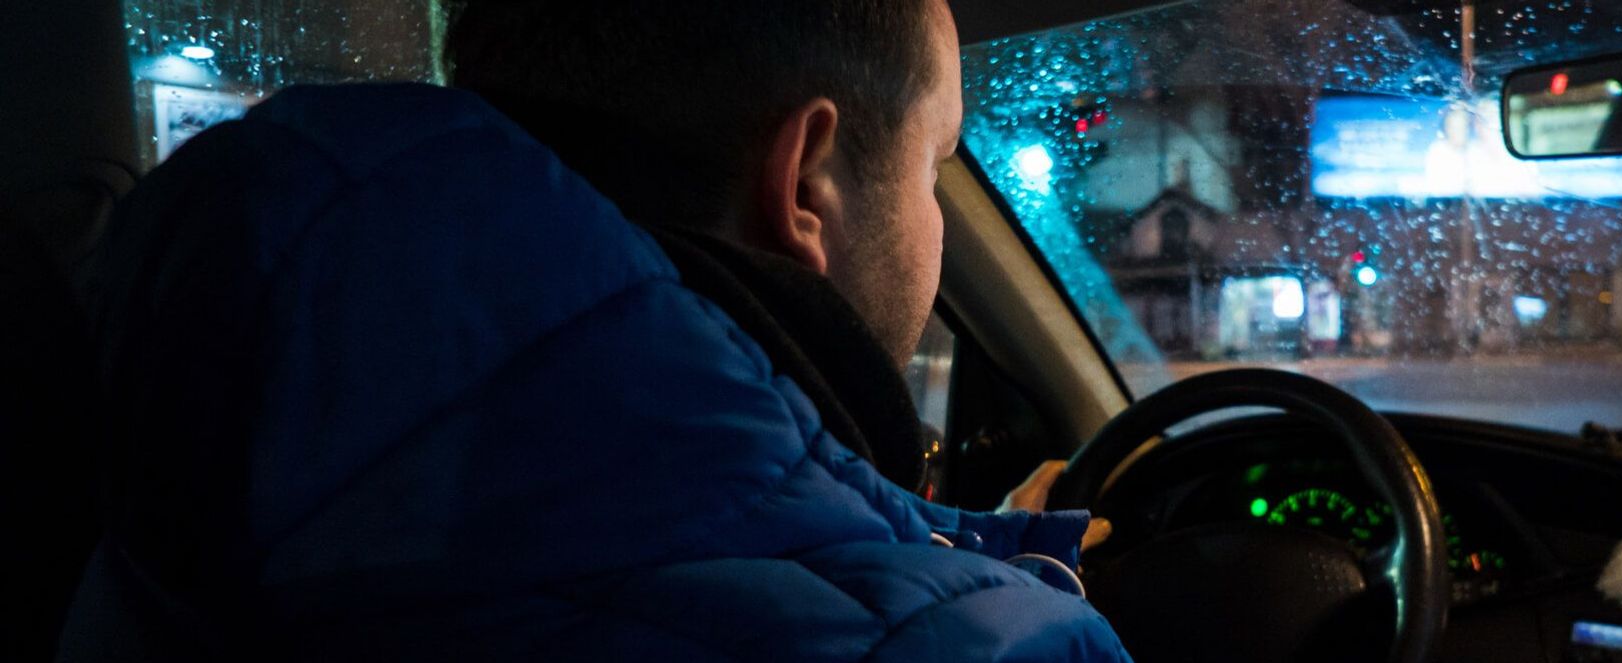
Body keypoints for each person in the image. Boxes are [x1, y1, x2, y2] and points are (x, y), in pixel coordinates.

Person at [57, 0, 1129, 661]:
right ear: (806, 180)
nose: (935, 220)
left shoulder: (174, 481)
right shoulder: (969, 645)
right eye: (935, 167)